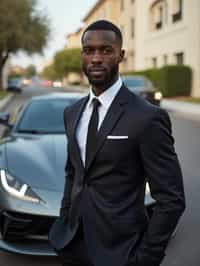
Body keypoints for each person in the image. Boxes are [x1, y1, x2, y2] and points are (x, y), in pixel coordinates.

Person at [49, 20, 185, 266]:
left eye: (106, 50)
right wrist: (64, 218)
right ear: (82, 55)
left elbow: (172, 199)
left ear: (120, 55)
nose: (96, 58)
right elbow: (74, 173)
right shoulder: (72, 112)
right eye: (89, 50)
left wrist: (146, 258)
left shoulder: (147, 116)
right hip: (72, 245)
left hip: (121, 251)